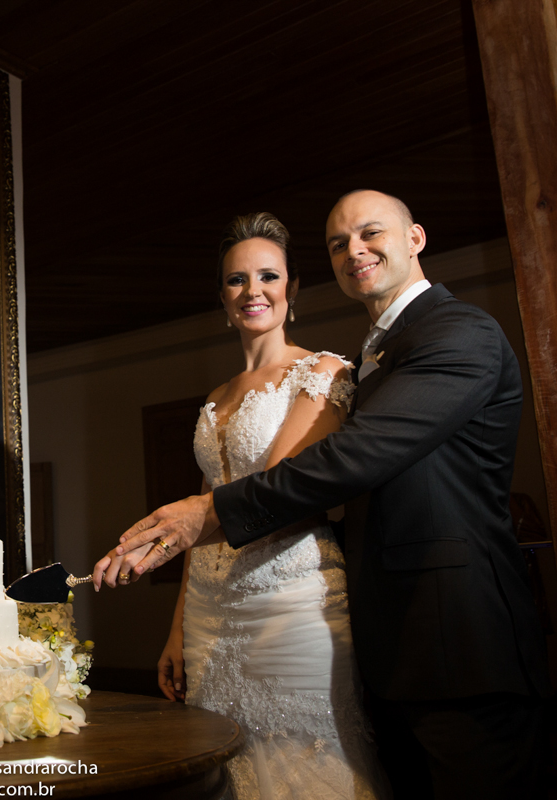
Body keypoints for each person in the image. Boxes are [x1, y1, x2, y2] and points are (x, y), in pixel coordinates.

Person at [96, 191, 551, 798]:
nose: (354, 251)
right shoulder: (377, 356)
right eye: (339, 243)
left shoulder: (457, 332)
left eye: (370, 234)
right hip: (380, 629)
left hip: (455, 636)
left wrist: (206, 512)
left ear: (415, 237)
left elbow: (351, 460)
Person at [120, 213, 386, 798]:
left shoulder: (322, 372)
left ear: (292, 289)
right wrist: (176, 631)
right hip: (209, 613)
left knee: (307, 760)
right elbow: (202, 525)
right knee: (227, 764)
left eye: (269, 276)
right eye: (237, 280)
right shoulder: (215, 397)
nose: (253, 290)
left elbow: (275, 491)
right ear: (223, 297)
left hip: (289, 598)